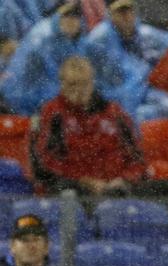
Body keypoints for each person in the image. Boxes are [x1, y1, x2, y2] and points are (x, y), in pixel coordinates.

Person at [33, 56, 147, 196]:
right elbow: (45, 162)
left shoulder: (115, 113)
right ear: (62, 84)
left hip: (117, 189)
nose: (79, 90)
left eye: (84, 84)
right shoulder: (52, 113)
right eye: (72, 84)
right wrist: (83, 181)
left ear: (92, 83)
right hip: (75, 189)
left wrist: (124, 179)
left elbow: (137, 158)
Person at [82, 0, 168, 123]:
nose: (126, 16)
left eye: (128, 10)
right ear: (110, 14)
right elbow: (117, 82)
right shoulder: (100, 39)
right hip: (115, 102)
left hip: (143, 91)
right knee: (149, 120)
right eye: (120, 12)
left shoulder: (140, 32)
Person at [0, 1, 86, 115]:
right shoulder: (43, 40)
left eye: (76, 17)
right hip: (20, 105)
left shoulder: (71, 37)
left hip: (38, 99)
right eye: (66, 16)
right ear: (58, 16)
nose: (71, 22)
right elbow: (38, 86)